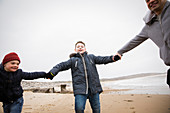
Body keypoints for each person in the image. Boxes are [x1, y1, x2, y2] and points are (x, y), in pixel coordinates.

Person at [48, 41, 118, 113]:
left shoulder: (91, 57)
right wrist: (52, 72)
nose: (80, 48)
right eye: (78, 47)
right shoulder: (73, 60)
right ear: (75, 50)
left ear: (85, 49)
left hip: (94, 89)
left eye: (82, 46)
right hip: (80, 89)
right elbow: (61, 65)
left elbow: (103, 59)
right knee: (79, 109)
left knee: (97, 110)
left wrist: (113, 58)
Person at [116, 0, 170, 88]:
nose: (151, 1)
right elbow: (135, 40)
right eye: (147, 0)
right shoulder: (149, 26)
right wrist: (120, 51)